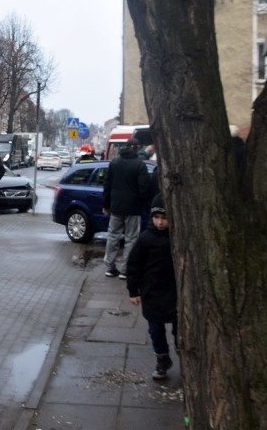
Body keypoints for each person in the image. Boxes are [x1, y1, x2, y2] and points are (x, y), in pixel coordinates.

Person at [125, 196, 178, 379]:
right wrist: (133, 291)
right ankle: (162, 359)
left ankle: (183, 353)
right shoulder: (145, 239)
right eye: (157, 217)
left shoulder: (177, 238)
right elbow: (133, 265)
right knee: (156, 329)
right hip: (152, 292)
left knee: (179, 327)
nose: (161, 222)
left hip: (175, 292)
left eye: (165, 218)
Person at [102, 138, 152, 279]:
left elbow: (107, 185)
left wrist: (106, 205)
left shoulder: (114, 163)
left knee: (112, 236)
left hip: (116, 207)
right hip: (133, 208)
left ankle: (110, 267)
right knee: (131, 239)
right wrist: (145, 204)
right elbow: (144, 188)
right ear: (136, 148)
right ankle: (125, 269)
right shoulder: (139, 165)